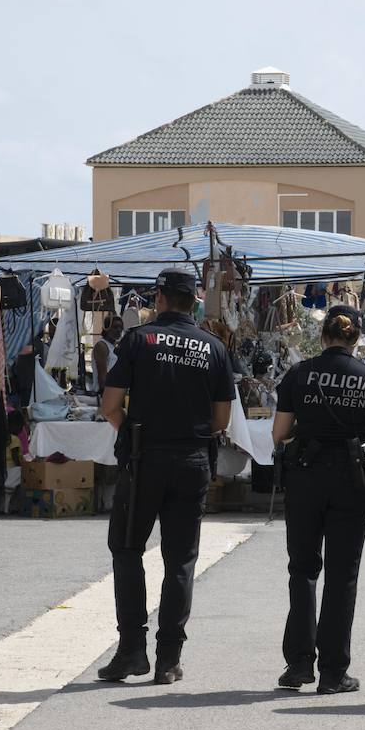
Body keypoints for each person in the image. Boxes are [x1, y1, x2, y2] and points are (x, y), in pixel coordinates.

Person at [97, 267, 235, 685]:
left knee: (127, 549)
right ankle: (168, 659)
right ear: (193, 300)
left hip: (144, 460)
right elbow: (222, 418)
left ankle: (131, 651)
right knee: (180, 560)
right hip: (192, 459)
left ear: (159, 298)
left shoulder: (138, 340)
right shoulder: (213, 347)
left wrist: (135, 433)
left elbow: (109, 405)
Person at [271, 305, 365, 694]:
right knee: (343, 576)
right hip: (353, 479)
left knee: (303, 570)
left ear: (324, 335)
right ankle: (333, 672)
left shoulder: (299, 374)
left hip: (306, 476)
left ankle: (298, 666)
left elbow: (279, 432)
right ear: (356, 338)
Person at [90, 315, 124, 394]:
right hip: (104, 393)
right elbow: (102, 377)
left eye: (120, 327)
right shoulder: (101, 346)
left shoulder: (114, 347)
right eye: (115, 327)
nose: (119, 330)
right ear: (107, 328)